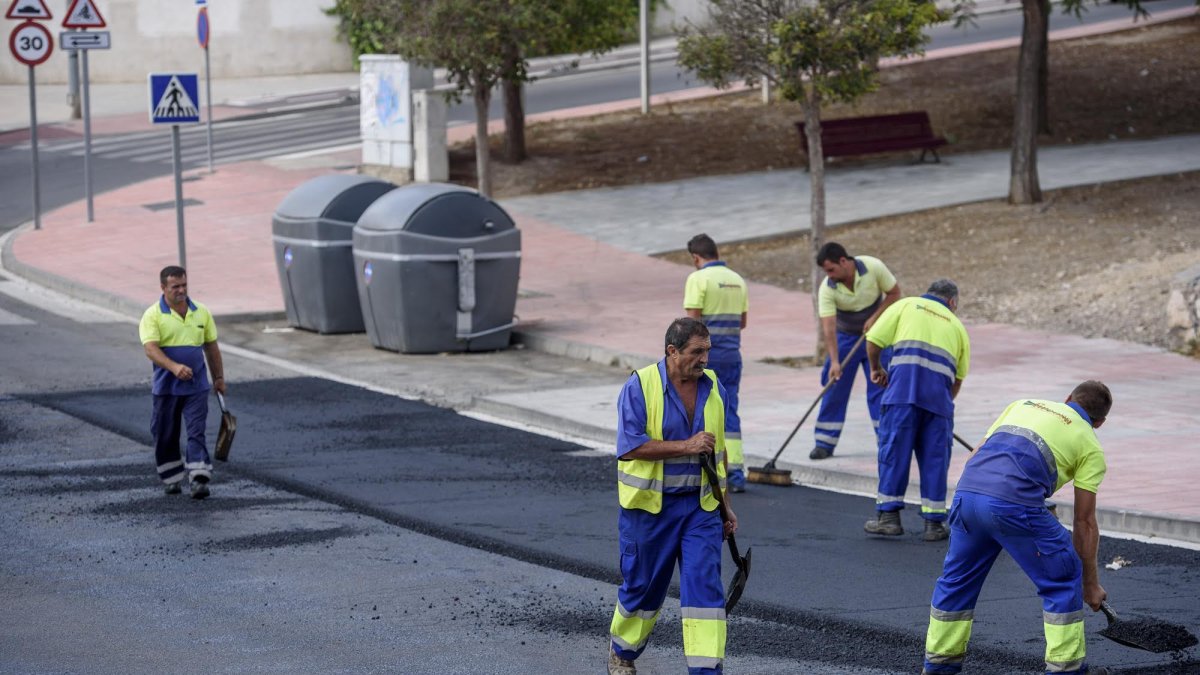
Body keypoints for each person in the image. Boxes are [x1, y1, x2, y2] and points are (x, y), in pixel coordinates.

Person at [922, 381, 1114, 675]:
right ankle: (1067, 670)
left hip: (967, 496)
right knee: (1063, 575)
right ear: (1099, 423)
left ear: (1067, 398)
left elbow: (975, 456)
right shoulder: (1090, 443)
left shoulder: (1022, 405)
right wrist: (1090, 583)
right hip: (1014, 506)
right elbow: (1084, 522)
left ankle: (938, 667)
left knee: (957, 581)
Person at [608, 317, 738, 675]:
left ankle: (706, 670)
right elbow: (630, 447)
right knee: (643, 588)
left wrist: (726, 506)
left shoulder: (714, 388)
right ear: (672, 351)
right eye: (697, 352)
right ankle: (623, 651)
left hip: (700, 509)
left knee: (705, 593)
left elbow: (719, 453)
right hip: (650, 510)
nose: (705, 360)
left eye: (707, 351)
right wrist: (687, 445)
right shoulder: (641, 386)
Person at [863, 279, 969, 541]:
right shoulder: (958, 327)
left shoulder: (906, 305)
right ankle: (934, 525)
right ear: (952, 302)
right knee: (935, 462)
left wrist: (876, 368)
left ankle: (888, 519)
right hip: (938, 407)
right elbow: (957, 381)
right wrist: (941, 405)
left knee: (893, 455)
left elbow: (874, 339)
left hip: (901, 398)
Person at [139, 266, 226, 500]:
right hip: (166, 388)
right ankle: (171, 477)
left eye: (184, 285)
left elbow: (211, 346)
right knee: (165, 434)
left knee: (196, 431)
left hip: (196, 386)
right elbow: (150, 349)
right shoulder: (153, 315)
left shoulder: (202, 312)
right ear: (163, 288)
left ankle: (198, 479)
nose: (181, 290)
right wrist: (174, 368)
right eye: (175, 286)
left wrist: (218, 377)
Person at [811, 242, 901, 460]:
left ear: (844, 261)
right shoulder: (827, 288)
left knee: (881, 385)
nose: (829, 275)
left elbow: (894, 293)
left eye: (831, 269)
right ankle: (825, 442)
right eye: (826, 271)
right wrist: (834, 361)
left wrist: (875, 317)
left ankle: (887, 441)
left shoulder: (873, 267)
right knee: (834, 385)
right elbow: (829, 327)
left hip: (877, 336)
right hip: (845, 339)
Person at [684, 233, 749, 492]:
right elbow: (742, 323)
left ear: (696, 257)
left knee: (701, 411)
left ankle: (708, 470)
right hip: (733, 357)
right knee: (729, 412)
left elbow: (691, 325)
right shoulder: (737, 280)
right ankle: (736, 473)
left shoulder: (697, 279)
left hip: (705, 359)